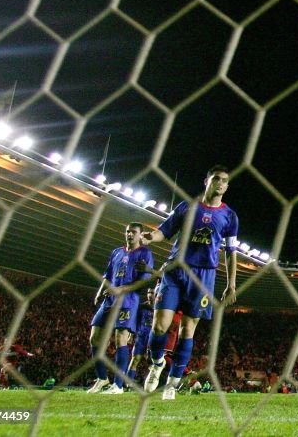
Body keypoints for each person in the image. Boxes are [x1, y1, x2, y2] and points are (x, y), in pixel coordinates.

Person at [140, 165, 239, 400]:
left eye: (225, 181)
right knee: (159, 326)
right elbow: (164, 231)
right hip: (176, 270)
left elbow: (231, 251)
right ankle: (156, 363)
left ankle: (172, 384)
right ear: (207, 180)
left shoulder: (230, 216)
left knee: (187, 330)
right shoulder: (186, 207)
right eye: (216, 179)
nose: (221, 183)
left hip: (204, 276)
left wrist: (231, 284)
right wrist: (150, 237)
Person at [87, 222, 155, 394]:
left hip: (128, 300)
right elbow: (108, 275)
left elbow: (144, 281)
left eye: (133, 232)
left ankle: (117, 385)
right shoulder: (117, 252)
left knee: (121, 340)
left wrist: (121, 289)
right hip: (109, 299)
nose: (130, 234)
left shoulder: (145, 254)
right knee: (94, 337)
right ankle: (102, 379)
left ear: (141, 235)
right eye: (127, 232)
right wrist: (100, 291)